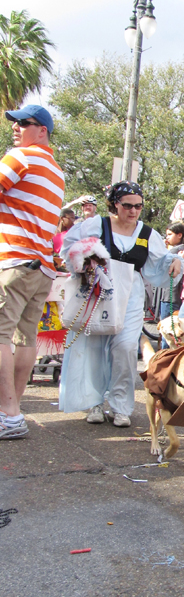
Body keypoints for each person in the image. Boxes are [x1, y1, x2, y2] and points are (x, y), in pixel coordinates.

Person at [59, 181, 182, 427]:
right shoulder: (97, 225)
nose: (133, 211)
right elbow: (70, 249)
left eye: (138, 206)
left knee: (125, 348)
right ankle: (94, 402)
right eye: (127, 205)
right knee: (94, 347)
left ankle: (121, 406)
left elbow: (160, 262)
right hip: (99, 292)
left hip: (131, 294)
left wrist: (175, 261)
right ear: (115, 204)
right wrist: (84, 259)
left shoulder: (148, 234)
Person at [0, 105, 65, 439]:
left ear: (42, 131)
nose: (15, 128)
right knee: (25, 338)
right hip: (41, 267)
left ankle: (8, 413)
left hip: (13, 259)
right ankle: (12, 410)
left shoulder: (21, 157)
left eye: (23, 123)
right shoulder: (56, 171)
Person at [158, 221, 184, 348]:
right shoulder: (182, 249)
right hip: (175, 294)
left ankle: (165, 355)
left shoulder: (176, 250)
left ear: (179, 235)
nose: (167, 237)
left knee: (167, 329)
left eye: (170, 234)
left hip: (170, 295)